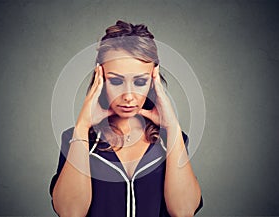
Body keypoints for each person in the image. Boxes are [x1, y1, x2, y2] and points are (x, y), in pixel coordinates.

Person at [49, 20, 203, 217]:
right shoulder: (77, 139)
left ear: (152, 80)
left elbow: (183, 211)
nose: (128, 95)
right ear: (100, 78)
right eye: (116, 81)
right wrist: (82, 127)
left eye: (140, 82)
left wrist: (172, 127)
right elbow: (70, 212)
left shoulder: (170, 139)